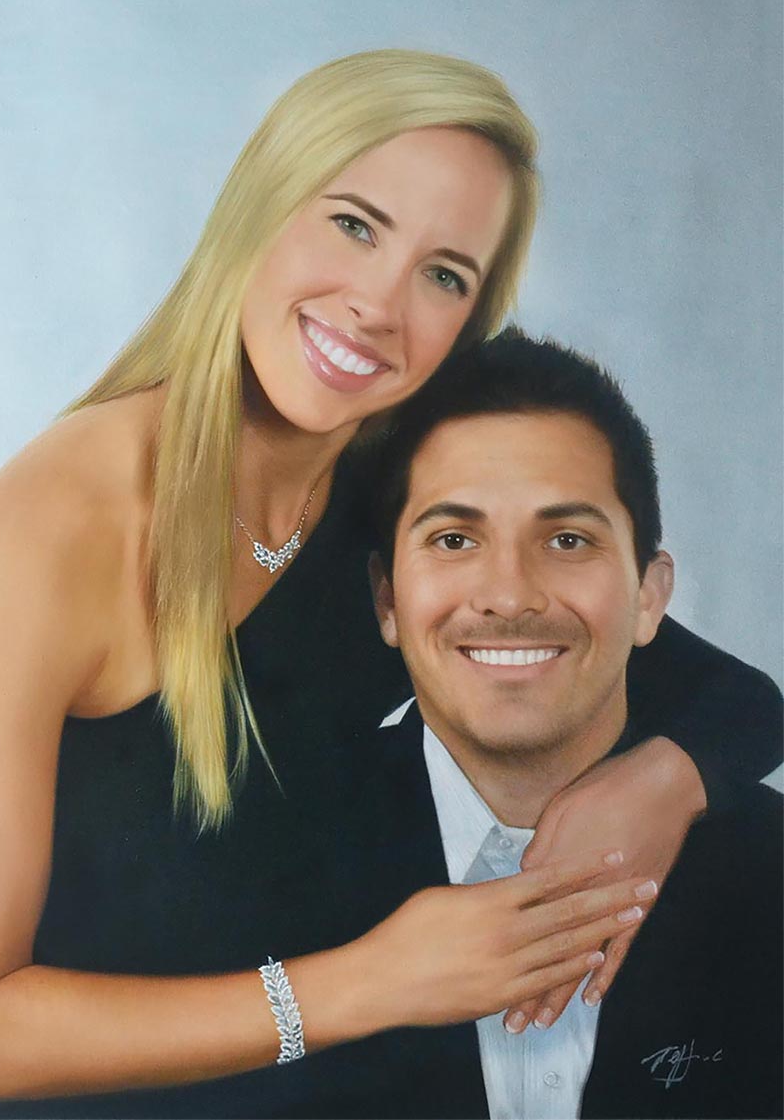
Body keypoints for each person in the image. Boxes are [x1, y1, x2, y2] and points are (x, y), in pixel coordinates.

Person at [0, 51, 780, 1115]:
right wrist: (368, 984)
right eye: (354, 225)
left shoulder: (384, 488)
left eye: (443, 274)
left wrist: (656, 787)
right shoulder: (56, 526)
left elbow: (729, 695)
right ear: (259, 209)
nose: (376, 305)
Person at [282, 329, 781, 1119]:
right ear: (385, 598)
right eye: (454, 538)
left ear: (649, 595)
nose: (510, 595)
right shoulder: (258, 867)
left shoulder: (767, 870)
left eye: (567, 539)